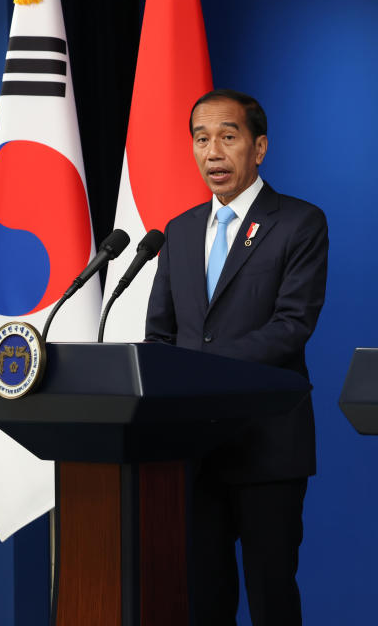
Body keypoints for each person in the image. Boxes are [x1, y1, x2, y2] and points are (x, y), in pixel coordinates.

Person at [146, 89, 328, 626]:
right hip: (194, 447)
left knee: (271, 596)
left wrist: (201, 368)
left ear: (259, 147)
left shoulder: (298, 222)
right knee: (203, 597)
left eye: (228, 137)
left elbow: (292, 327)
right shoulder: (177, 232)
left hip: (267, 443)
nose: (213, 152)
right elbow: (160, 334)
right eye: (201, 139)